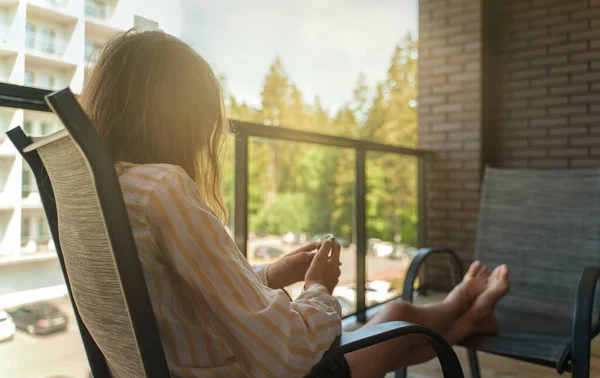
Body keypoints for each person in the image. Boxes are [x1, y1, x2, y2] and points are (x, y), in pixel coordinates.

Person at [81, 29, 510, 378]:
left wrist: (271, 273)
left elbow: (180, 294)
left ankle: (464, 313)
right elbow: (285, 354)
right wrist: (319, 287)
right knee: (396, 322)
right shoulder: (163, 188)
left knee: (397, 323)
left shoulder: (104, 194)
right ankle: (463, 311)